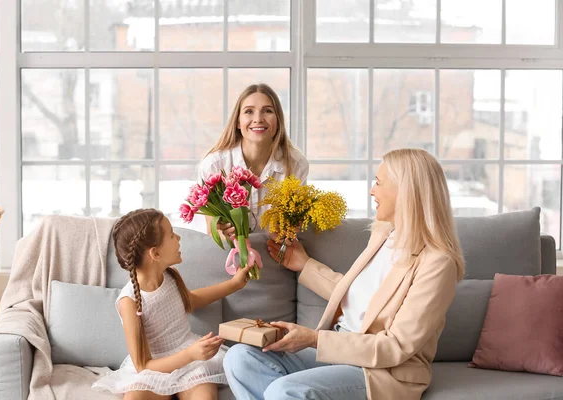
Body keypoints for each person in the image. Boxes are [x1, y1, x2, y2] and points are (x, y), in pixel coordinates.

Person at [223, 148, 465, 400]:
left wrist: (315, 339)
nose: (372, 190)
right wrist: (305, 265)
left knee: (284, 391)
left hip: (382, 371)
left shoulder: (437, 263)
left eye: (379, 183)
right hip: (341, 349)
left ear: (406, 193)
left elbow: (395, 347)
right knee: (240, 358)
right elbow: (362, 297)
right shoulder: (384, 234)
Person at [92, 208, 253, 400]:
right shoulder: (130, 301)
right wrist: (190, 354)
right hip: (156, 367)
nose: (178, 237)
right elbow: (143, 365)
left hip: (191, 361)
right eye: (171, 235)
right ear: (156, 253)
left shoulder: (170, 276)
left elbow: (191, 301)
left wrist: (234, 284)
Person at [198, 83, 309, 240]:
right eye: (249, 111)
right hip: (229, 257)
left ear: (278, 121)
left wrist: (289, 232)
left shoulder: (296, 164)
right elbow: (212, 232)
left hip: (276, 256)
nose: (258, 119)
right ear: (238, 122)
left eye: (267, 111)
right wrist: (222, 233)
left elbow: (295, 229)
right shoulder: (214, 166)